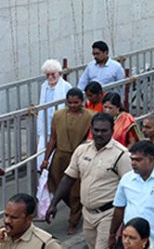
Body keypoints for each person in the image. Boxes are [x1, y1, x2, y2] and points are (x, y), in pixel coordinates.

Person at [46, 113, 131, 249]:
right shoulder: (82, 150)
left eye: (104, 131)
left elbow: (130, 188)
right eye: (96, 130)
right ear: (91, 129)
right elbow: (69, 177)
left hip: (108, 214)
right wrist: (53, 203)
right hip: (88, 214)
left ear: (112, 131)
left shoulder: (122, 155)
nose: (99, 134)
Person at [40, 88, 94, 235]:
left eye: (76, 102)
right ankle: (77, 212)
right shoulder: (58, 115)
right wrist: (46, 159)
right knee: (59, 189)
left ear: (82, 102)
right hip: (60, 157)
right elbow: (53, 139)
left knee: (76, 191)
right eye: (69, 102)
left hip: (79, 156)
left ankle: (73, 221)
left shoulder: (90, 116)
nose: (72, 105)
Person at [37, 59, 72, 169]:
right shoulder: (44, 86)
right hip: (46, 124)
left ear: (59, 73)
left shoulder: (66, 86)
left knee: (56, 156)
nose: (50, 77)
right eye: (47, 75)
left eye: (53, 74)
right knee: (42, 153)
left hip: (59, 124)